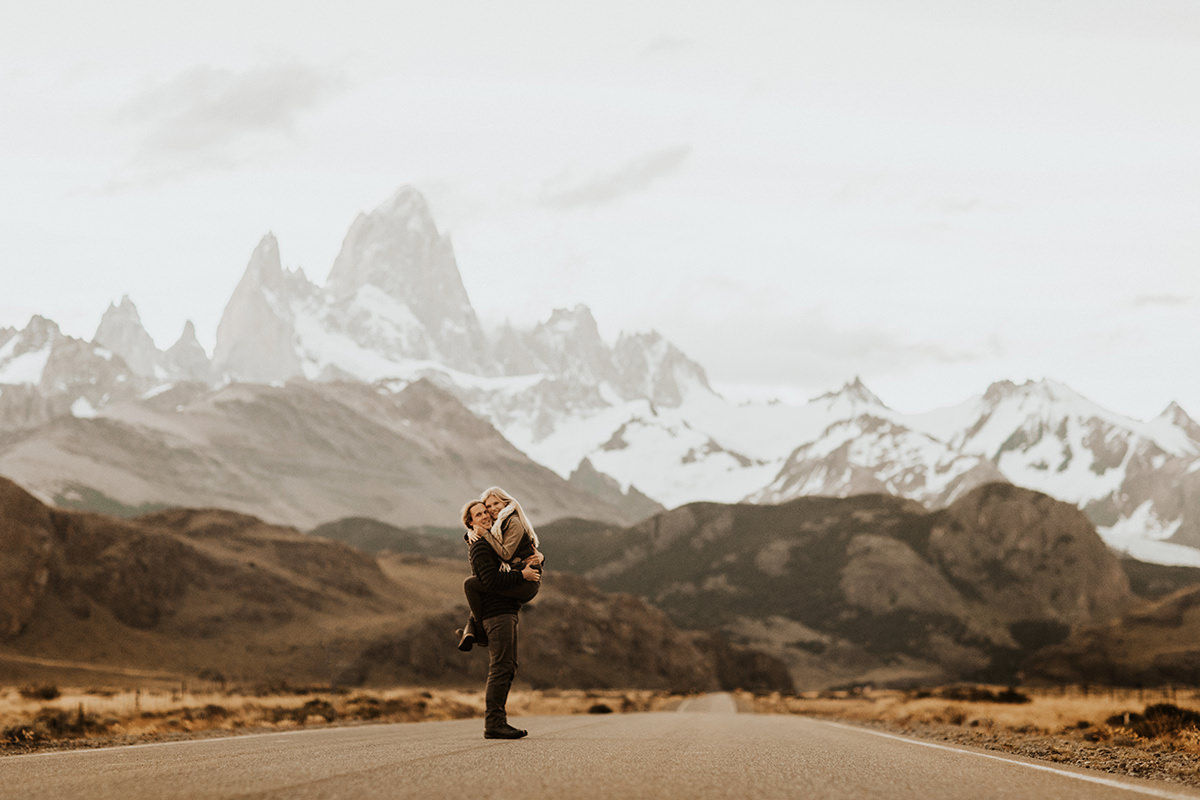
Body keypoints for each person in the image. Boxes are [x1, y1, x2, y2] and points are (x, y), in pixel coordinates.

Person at [459, 498, 542, 739]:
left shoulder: (491, 541)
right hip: (496, 613)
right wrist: (522, 575)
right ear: (470, 522)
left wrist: (536, 560)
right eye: (478, 514)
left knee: (508, 665)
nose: (485, 515)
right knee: (501, 667)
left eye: (486, 511)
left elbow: (511, 560)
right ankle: (494, 723)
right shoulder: (481, 546)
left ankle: (497, 721)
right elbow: (491, 581)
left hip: (506, 611)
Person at [457, 486, 544, 651]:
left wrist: (483, 533)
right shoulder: (500, 523)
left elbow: (504, 554)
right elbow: (490, 546)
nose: (491, 510)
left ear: (506, 502)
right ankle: (471, 631)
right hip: (522, 574)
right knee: (480, 585)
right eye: (487, 507)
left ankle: (477, 631)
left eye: (495, 503)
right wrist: (470, 533)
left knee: (472, 585)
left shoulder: (513, 521)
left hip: (528, 580)